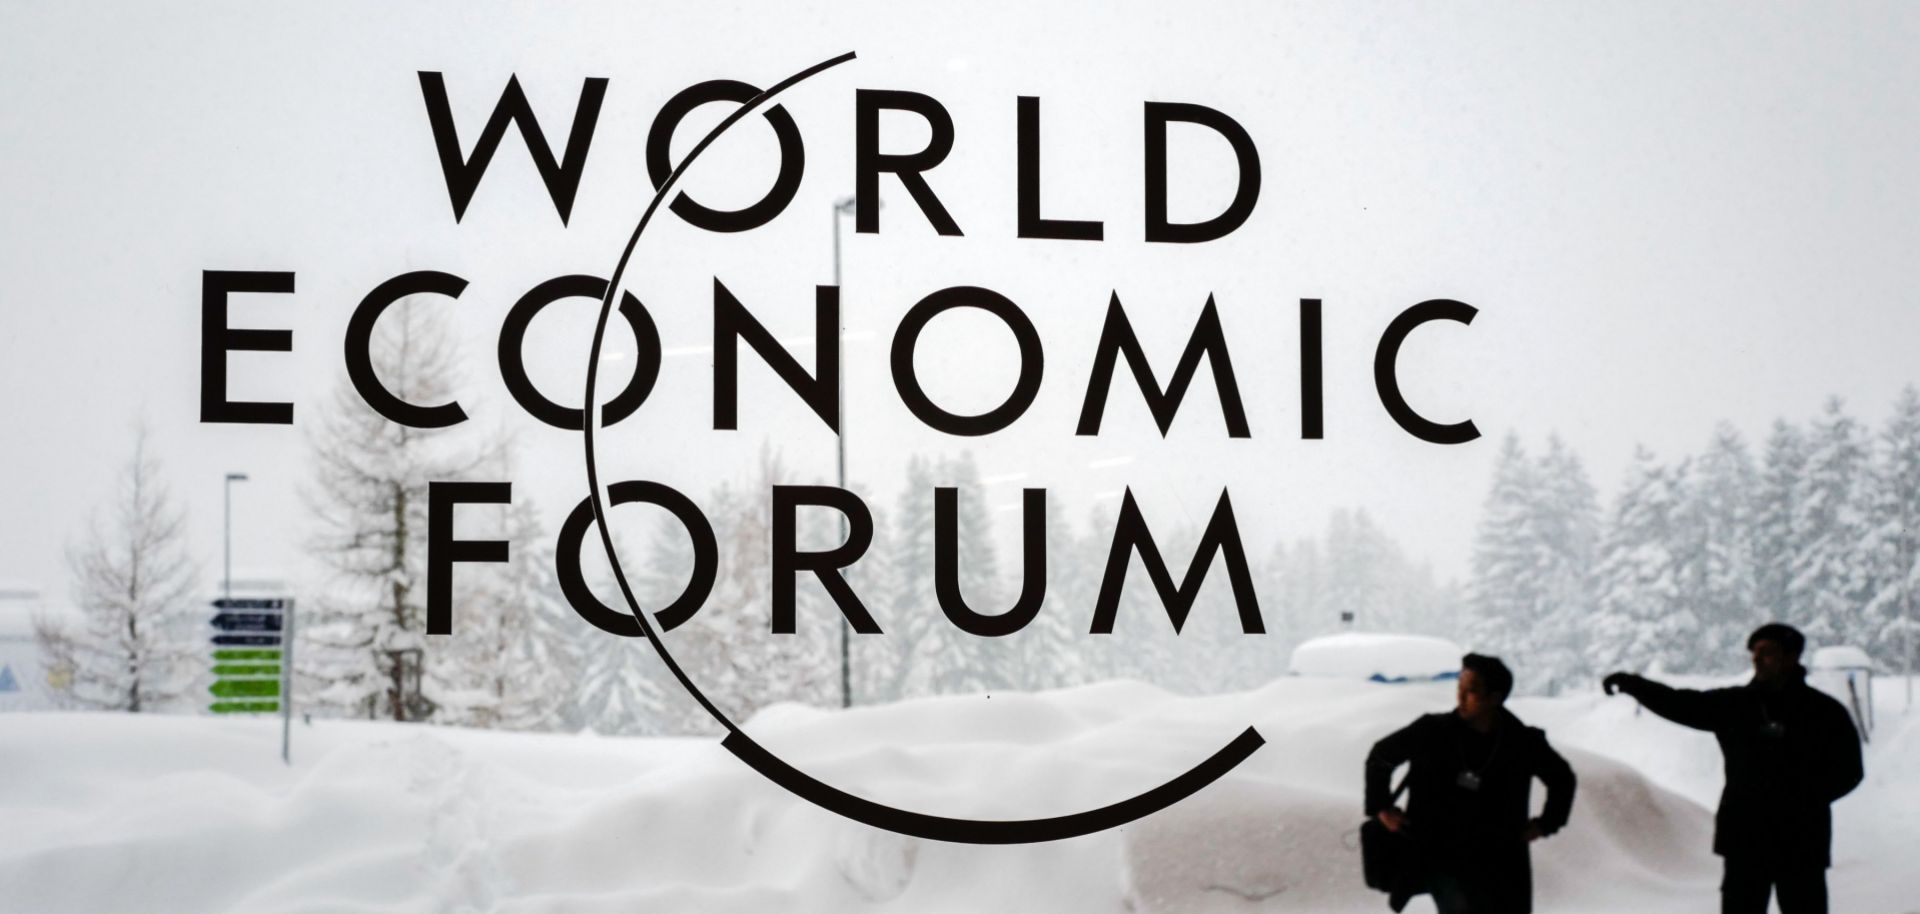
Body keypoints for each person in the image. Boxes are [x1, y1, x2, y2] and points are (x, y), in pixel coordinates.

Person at [1603, 622, 1864, 914]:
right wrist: (1635, 685)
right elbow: (1680, 703)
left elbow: (1850, 770)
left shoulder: (1823, 713)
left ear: (1791, 657)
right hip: (1747, 839)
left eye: (1766, 652)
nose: (1756, 659)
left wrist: (1802, 800)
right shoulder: (1737, 705)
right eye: (1754, 652)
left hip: (1800, 841)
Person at [1366, 654, 1577, 913]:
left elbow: (1562, 778)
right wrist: (1383, 808)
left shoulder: (1520, 742)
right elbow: (1380, 757)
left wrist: (1546, 824)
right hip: (1440, 853)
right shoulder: (1432, 731)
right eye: (1460, 688)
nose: (1461, 697)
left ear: (1495, 697)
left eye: (1472, 691)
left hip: (1499, 856)